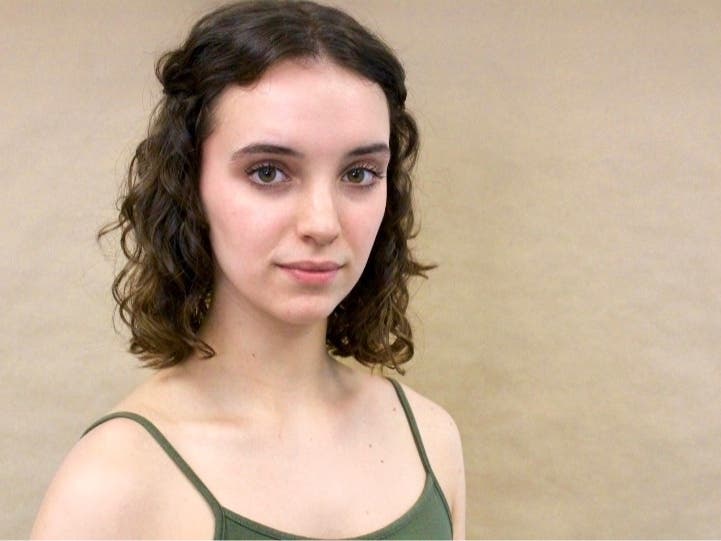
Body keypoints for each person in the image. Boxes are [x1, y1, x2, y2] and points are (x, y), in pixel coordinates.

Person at [30, 1, 466, 538]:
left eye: (359, 174)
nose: (322, 223)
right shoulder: (114, 483)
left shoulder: (432, 441)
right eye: (268, 172)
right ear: (190, 185)